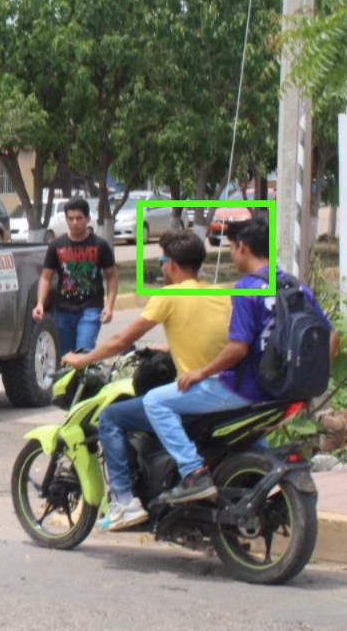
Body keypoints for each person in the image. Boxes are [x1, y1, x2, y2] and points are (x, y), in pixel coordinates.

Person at [142, 217, 336, 508]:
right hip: (283, 391)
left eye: (232, 247)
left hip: (245, 389)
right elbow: (331, 338)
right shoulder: (294, 287)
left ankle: (193, 474)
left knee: (156, 401)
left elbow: (238, 349)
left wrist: (200, 372)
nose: (232, 253)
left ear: (242, 247)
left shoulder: (247, 289)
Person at [61, 228, 231, 531]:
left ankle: (124, 501)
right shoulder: (219, 294)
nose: (162, 267)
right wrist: (166, 348)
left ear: (173, 265)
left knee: (112, 417)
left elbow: (120, 340)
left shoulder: (170, 295)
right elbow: (210, 339)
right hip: (223, 391)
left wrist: (81, 359)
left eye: (163, 260)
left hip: (195, 394)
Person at [32, 197, 118, 356]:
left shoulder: (100, 245)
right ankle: (71, 382)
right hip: (63, 310)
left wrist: (109, 306)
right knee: (66, 357)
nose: (74, 222)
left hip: (91, 308)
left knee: (83, 352)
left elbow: (111, 277)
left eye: (79, 218)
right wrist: (40, 304)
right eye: (70, 218)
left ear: (88, 218)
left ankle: (82, 380)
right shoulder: (56, 246)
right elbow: (46, 277)